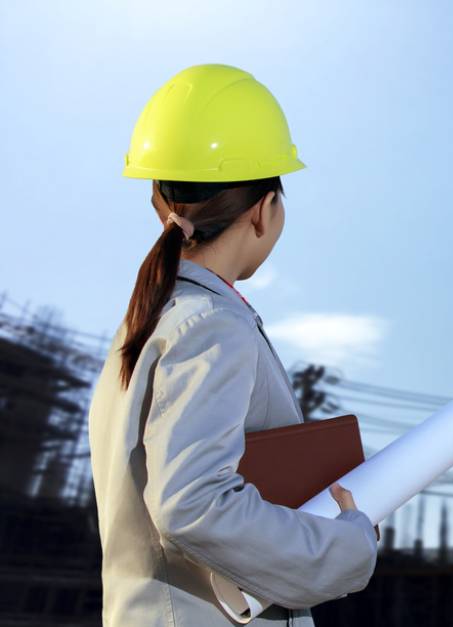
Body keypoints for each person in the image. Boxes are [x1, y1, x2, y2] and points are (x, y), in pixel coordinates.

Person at [87, 63, 379, 627]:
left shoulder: (149, 323)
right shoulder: (209, 325)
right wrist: (346, 544)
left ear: (158, 201)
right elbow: (193, 504)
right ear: (265, 211)